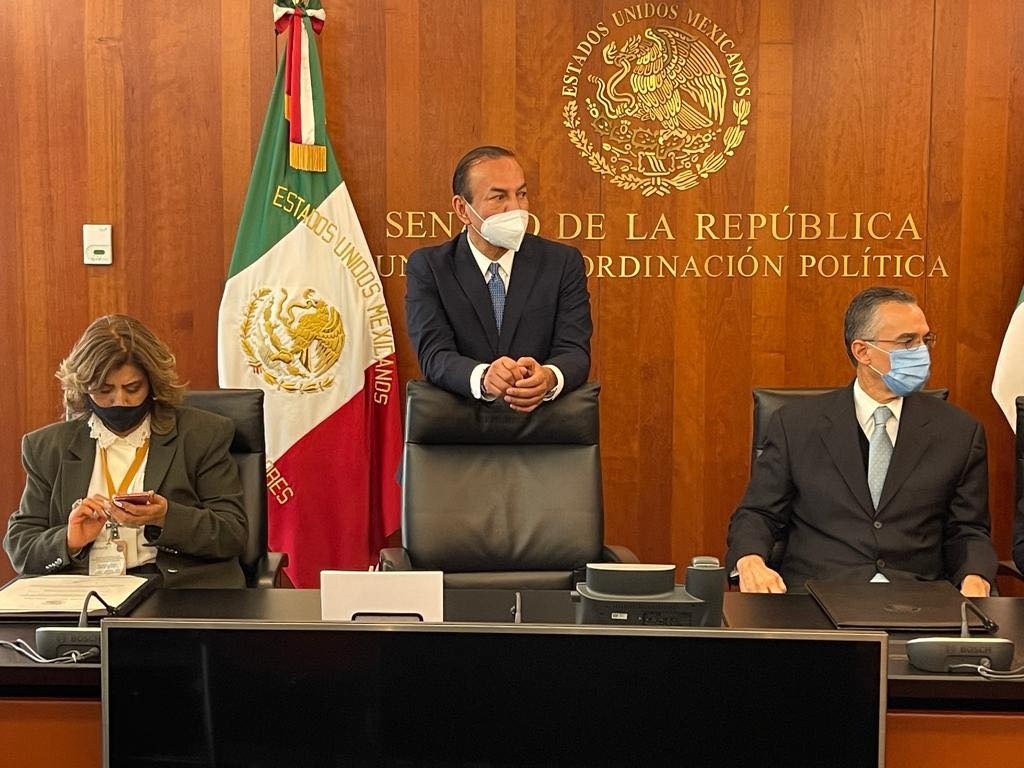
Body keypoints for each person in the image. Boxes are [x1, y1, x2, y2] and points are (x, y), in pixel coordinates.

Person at [726, 286, 997, 597]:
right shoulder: (796, 425)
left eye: (925, 340)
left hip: (916, 601)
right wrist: (750, 561)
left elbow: (969, 530)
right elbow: (758, 513)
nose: (921, 351)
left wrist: (976, 576)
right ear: (862, 351)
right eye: (907, 342)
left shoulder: (959, 431)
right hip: (815, 599)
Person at [4, 315, 248, 588]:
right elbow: (21, 546)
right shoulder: (48, 448)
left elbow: (232, 533)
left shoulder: (202, 434)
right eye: (104, 390)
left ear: (153, 383)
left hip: (175, 592)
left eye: (132, 388)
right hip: (85, 592)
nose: (119, 401)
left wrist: (166, 517)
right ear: (84, 388)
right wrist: (69, 540)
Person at [405, 145, 592, 413]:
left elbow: (574, 351)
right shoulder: (430, 268)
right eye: (498, 197)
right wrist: (483, 377)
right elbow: (434, 355)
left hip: (542, 431)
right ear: (462, 209)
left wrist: (548, 377)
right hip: (459, 432)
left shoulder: (562, 263)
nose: (515, 208)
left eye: (522, 194)